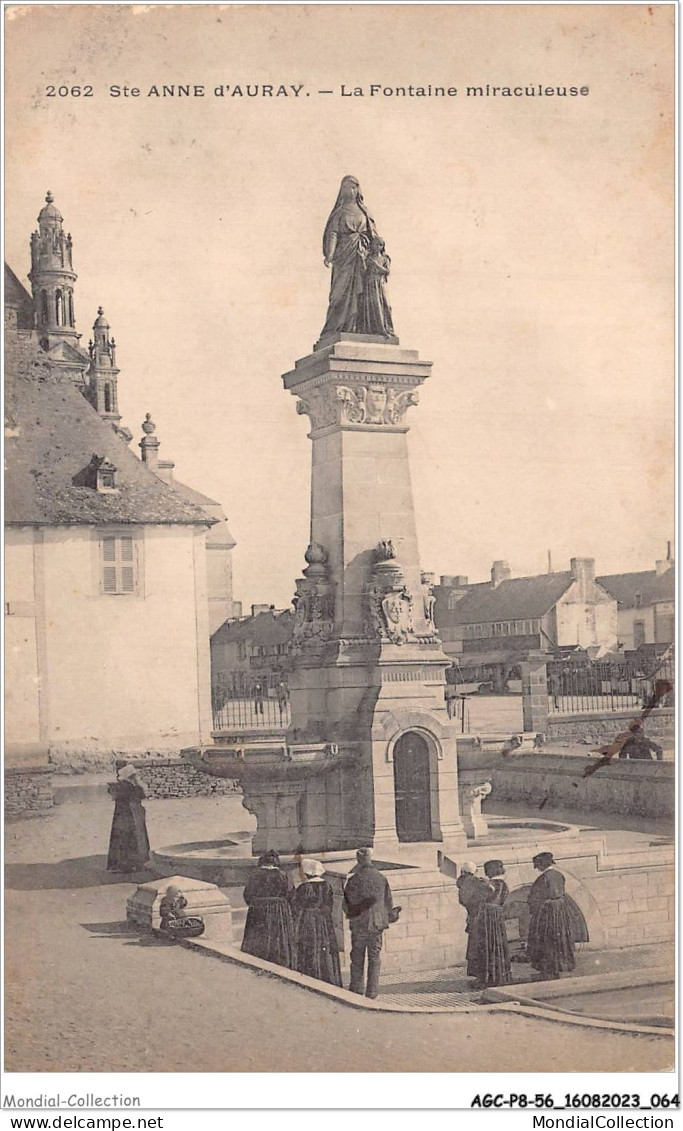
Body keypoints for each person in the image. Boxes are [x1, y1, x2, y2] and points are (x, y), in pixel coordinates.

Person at [321, 175, 376, 337]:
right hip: (344, 257)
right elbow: (333, 234)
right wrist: (329, 255)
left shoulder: (365, 212)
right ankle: (334, 328)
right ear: (342, 191)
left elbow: (374, 236)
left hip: (362, 257)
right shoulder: (339, 213)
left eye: (354, 187)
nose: (351, 191)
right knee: (339, 294)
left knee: (363, 294)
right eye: (348, 188)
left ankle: (358, 327)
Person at [343, 847, 394, 999]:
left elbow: (346, 905)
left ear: (358, 861)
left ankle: (356, 989)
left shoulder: (353, 880)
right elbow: (388, 902)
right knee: (374, 957)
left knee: (357, 957)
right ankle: (372, 992)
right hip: (377, 925)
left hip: (359, 925)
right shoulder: (381, 877)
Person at [290, 859, 342, 986]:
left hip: (308, 920)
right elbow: (330, 905)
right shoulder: (326, 885)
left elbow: (296, 906)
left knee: (309, 946)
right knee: (325, 947)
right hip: (324, 920)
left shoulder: (304, 887)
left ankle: (311, 975)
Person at [241, 849, 296, 968]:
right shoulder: (284, 875)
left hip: (259, 910)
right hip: (279, 910)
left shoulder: (254, 875)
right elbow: (291, 894)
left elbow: (247, 895)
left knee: (259, 938)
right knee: (278, 938)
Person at [526, 852, 576, 979]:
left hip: (547, 912)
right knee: (559, 939)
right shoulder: (559, 875)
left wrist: (533, 907)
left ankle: (548, 970)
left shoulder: (542, 878)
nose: (537, 869)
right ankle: (559, 966)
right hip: (560, 910)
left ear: (542, 865)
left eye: (538, 866)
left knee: (545, 939)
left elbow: (535, 897)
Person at [467, 860, 512, 988]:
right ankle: (501, 976)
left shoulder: (485, 884)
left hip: (485, 917)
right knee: (498, 945)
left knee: (485, 946)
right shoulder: (504, 885)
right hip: (497, 917)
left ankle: (486, 979)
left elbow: (473, 900)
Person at [106, 763, 150, 873]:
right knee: (135, 839)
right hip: (131, 814)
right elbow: (144, 793)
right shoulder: (131, 786)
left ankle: (125, 864)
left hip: (126, 815)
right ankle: (135, 863)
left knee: (125, 839)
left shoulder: (120, 786)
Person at [455, 861, 492, 978]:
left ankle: (476, 972)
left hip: (472, 916)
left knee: (473, 945)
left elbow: (463, 901)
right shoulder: (476, 882)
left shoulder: (462, 883)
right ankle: (484, 973)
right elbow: (489, 891)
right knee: (481, 946)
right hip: (480, 916)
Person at [361, 236, 394, 337]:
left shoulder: (385, 258)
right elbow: (364, 271)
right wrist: (362, 260)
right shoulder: (369, 258)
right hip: (370, 284)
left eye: (378, 244)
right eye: (374, 244)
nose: (376, 246)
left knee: (386, 305)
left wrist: (376, 265)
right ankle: (375, 329)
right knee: (373, 306)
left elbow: (387, 271)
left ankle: (387, 328)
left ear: (382, 246)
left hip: (380, 283)